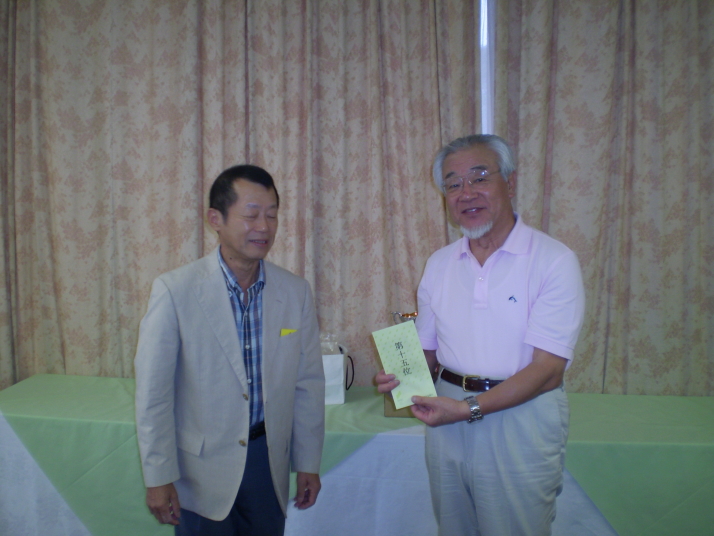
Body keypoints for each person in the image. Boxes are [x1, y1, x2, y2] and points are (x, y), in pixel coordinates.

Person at [377, 134, 585, 536]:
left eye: (479, 178)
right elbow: (426, 351)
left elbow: (548, 371)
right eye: (453, 184)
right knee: (454, 528)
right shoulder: (439, 263)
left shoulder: (554, 260)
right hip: (447, 415)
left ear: (510, 182)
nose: (466, 193)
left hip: (521, 416)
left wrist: (467, 409)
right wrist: (399, 376)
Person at [135, 164, 325, 536]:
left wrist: (308, 462)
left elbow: (307, 384)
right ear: (215, 219)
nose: (264, 227)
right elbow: (154, 393)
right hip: (200, 469)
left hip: (268, 461)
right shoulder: (175, 291)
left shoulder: (295, 292)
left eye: (272, 215)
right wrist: (158, 476)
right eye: (251, 215)